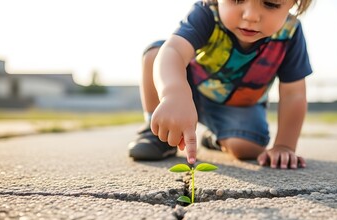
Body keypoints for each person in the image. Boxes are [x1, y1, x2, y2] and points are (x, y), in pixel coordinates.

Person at [128, 0, 313, 169]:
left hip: (238, 105)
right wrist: (174, 94)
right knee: (155, 55)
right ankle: (158, 133)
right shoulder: (208, 12)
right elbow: (174, 50)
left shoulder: (290, 32)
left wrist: (284, 145)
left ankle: (214, 139)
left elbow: (293, 93)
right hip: (190, 89)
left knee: (248, 148)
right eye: (237, 0)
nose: (250, 16)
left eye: (271, 4)